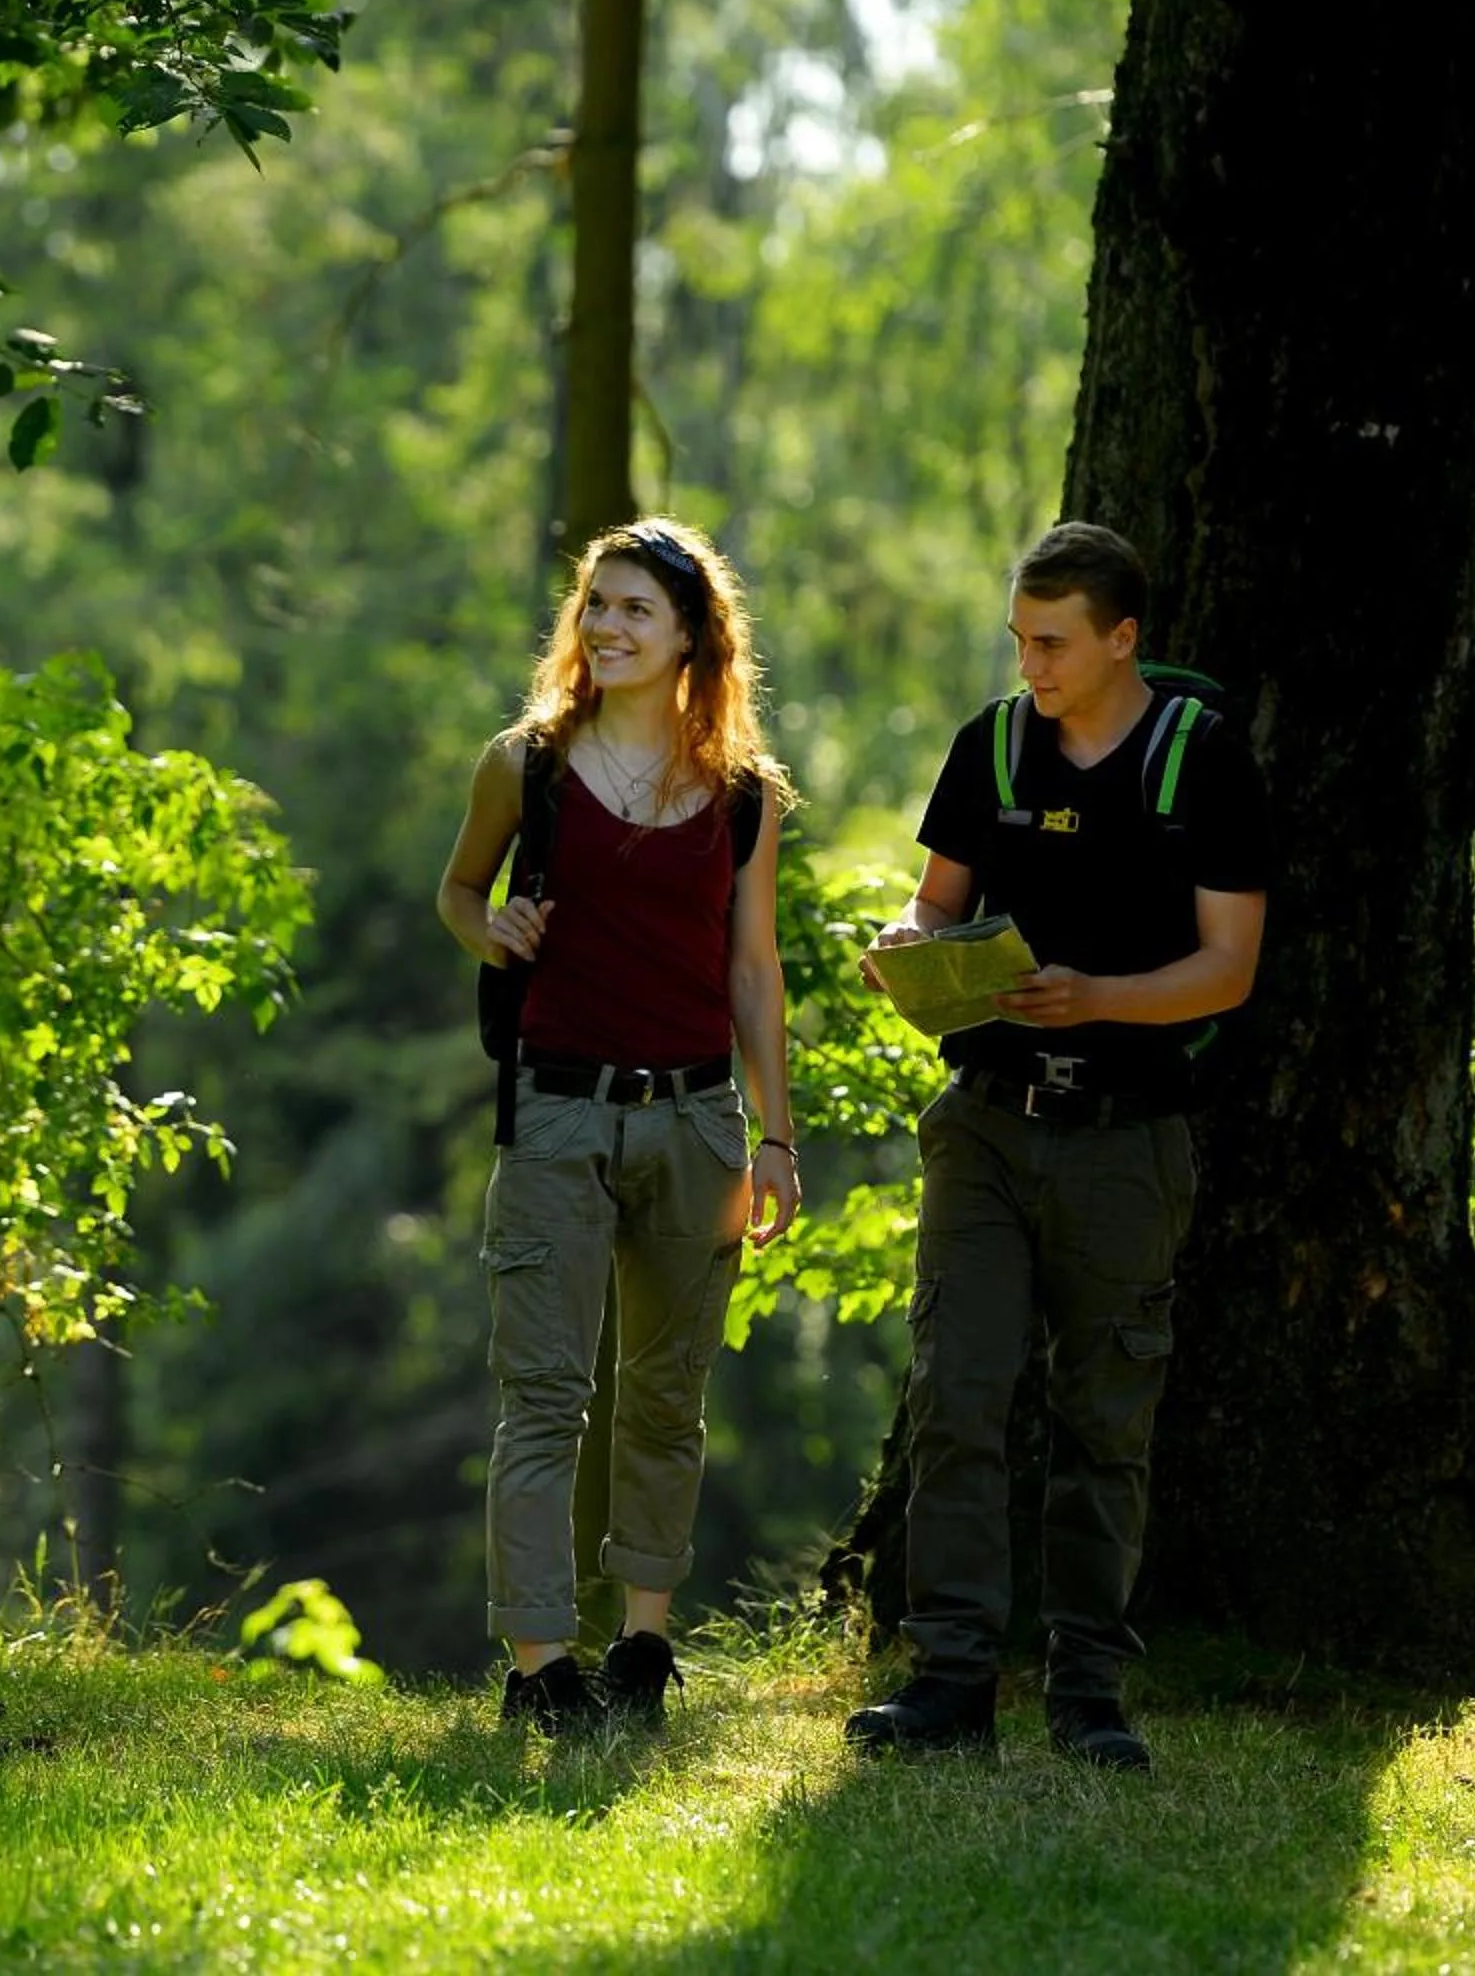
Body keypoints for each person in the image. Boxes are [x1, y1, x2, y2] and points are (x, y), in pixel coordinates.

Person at [844, 521, 1267, 1771]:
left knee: (1104, 1422)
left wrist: (1097, 998)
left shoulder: (1202, 761)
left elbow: (1229, 970)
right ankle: (950, 1683)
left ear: (1122, 638)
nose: (1029, 661)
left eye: (1053, 642)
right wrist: (909, 948)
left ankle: (1088, 1694)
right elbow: (938, 901)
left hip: (1126, 1139)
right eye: (1019, 638)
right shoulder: (990, 743)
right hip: (982, 1125)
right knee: (957, 1393)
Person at [436, 518, 800, 1734]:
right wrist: (490, 930)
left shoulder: (743, 794)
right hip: (555, 1115)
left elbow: (754, 969)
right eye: (596, 604)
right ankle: (541, 1664)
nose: (607, 627)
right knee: (543, 1396)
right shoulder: (526, 764)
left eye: (637, 608)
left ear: (695, 634)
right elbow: (459, 889)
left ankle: (643, 1648)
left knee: (665, 1394)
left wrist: (776, 1135)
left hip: (696, 1120)